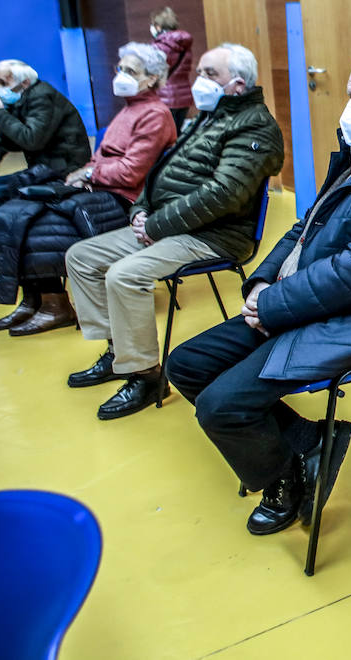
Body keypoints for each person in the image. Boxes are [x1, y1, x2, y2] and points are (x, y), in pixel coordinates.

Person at [167, 51, 351, 535]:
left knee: (222, 407)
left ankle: (285, 480)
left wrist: (275, 305)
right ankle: (308, 442)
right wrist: (262, 282)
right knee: (187, 365)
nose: (349, 109)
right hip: (312, 300)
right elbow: (307, 226)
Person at [63, 44, 284, 420]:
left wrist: (155, 224)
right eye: (199, 72)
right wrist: (141, 209)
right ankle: (120, 352)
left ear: (238, 84)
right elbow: (161, 170)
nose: (199, 81)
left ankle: (146, 375)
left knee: (125, 275)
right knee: (80, 257)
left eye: (210, 74)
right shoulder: (207, 117)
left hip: (214, 236)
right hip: (165, 225)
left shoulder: (255, 126)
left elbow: (224, 195)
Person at [0, 43, 178, 335]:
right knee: (12, 211)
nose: (120, 75)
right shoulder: (129, 110)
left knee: (36, 227)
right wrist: (85, 173)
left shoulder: (154, 114)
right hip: (101, 189)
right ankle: (33, 299)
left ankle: (55, 305)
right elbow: (103, 158)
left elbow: (131, 172)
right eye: (120, 69)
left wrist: (89, 172)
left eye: (130, 71)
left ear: (151, 78)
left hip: (126, 199)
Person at [0, 60, 90, 284]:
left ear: (25, 82)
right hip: (43, 168)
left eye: (4, 82)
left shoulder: (42, 97)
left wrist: (0, 115)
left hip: (63, 170)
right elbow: (1, 140)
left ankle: (2, 263)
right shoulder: (20, 98)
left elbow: (31, 139)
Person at [150, 6, 194, 129]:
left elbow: (152, 71)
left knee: (167, 137)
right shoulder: (184, 44)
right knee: (178, 134)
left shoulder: (159, 47)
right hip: (185, 96)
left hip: (165, 97)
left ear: (158, 26)